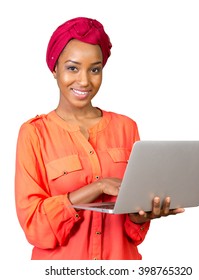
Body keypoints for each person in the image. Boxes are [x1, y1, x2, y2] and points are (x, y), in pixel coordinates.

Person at [15, 17, 184, 260]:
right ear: (54, 69)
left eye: (95, 69)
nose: (84, 81)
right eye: (72, 68)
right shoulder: (34, 133)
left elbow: (132, 229)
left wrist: (140, 216)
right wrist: (97, 187)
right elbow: (34, 226)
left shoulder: (126, 127)